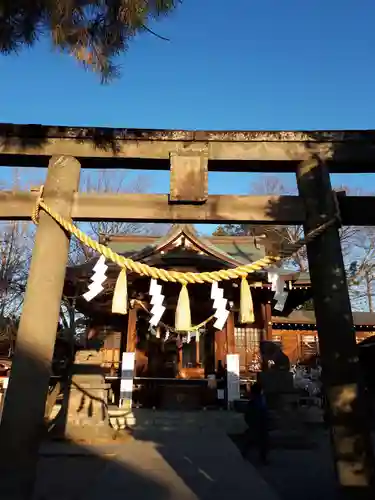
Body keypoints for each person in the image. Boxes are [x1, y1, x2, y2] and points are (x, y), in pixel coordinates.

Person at [241, 382, 269, 464]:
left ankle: (246, 453)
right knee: (261, 440)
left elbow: (248, 413)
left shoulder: (255, 399)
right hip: (259, 421)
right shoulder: (258, 399)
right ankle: (261, 457)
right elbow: (261, 410)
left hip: (257, 422)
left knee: (255, 439)